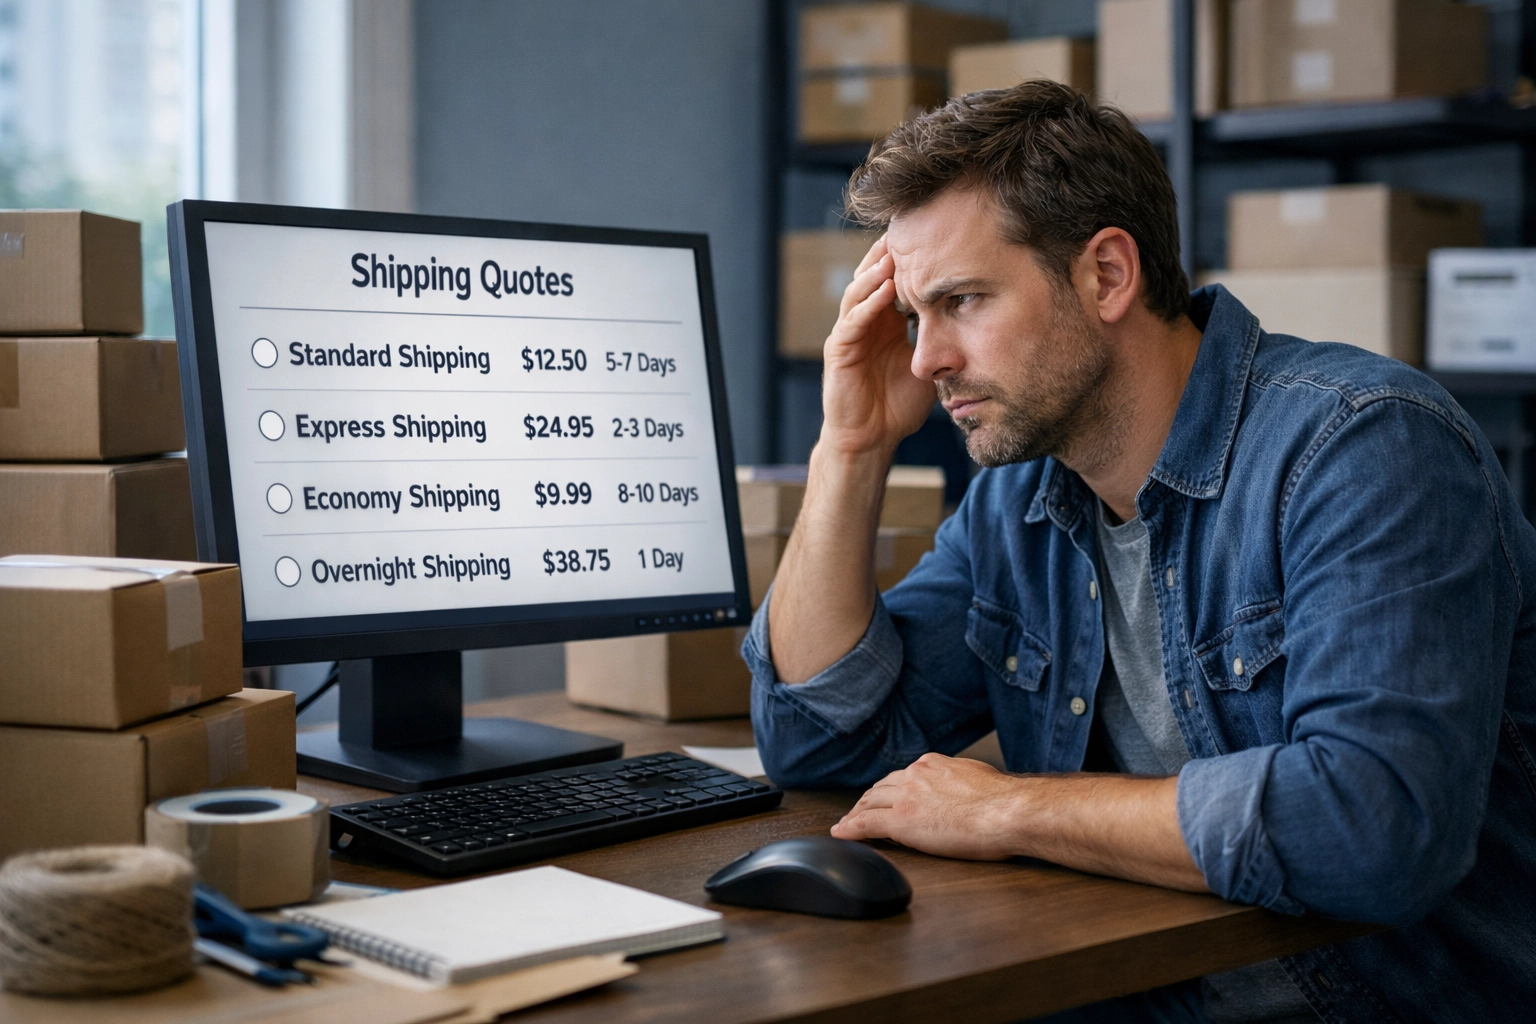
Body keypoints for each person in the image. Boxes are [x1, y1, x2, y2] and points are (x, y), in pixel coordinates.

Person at [744, 81, 1536, 1023]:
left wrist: (1007, 808)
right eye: (917, 316)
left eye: (962, 301)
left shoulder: (1365, 447)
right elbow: (818, 740)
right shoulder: (1017, 502)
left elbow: (1374, 827)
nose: (926, 360)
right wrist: (852, 445)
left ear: (1108, 275)